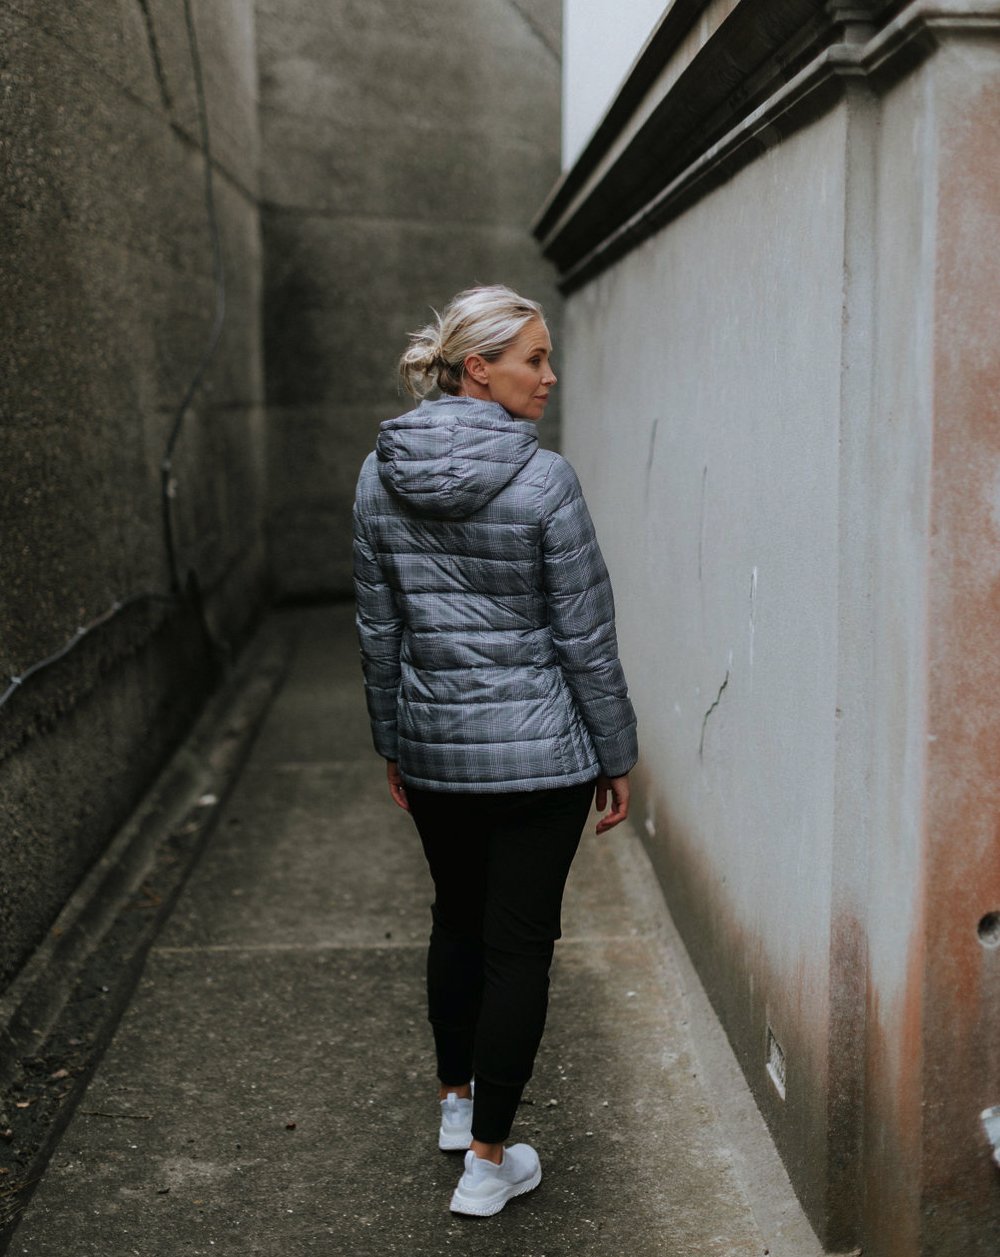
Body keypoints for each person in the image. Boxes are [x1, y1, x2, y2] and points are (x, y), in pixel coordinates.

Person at [352, 284, 637, 1217]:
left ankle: (456, 1102)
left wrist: (394, 740)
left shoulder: (377, 475)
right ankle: (487, 1160)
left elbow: (379, 630)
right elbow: (585, 636)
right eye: (534, 359)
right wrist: (616, 752)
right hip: (541, 760)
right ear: (478, 368)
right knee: (519, 948)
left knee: (458, 923)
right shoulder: (546, 480)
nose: (550, 376)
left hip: (436, 751)